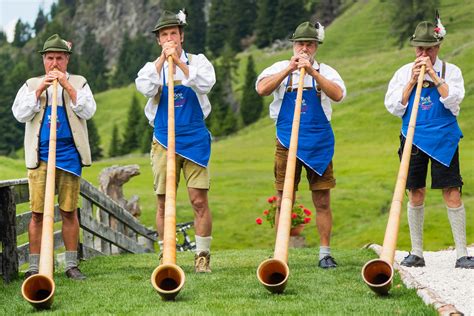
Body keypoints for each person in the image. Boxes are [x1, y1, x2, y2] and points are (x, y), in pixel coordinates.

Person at [384, 13, 473, 269]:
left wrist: (434, 76)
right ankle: (417, 252)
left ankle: (461, 253)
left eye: (429, 49)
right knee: (415, 192)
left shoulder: (450, 71)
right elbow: (394, 107)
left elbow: (453, 101)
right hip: (413, 138)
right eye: (419, 48)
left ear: (438, 47)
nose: (423, 54)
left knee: (452, 192)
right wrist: (412, 81)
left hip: (443, 137)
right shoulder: (403, 72)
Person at [256, 22, 346, 269]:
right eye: (300, 44)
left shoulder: (326, 71)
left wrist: (313, 73)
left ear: (316, 46)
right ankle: (279, 252)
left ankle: (325, 253)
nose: (304, 49)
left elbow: (338, 94)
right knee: (284, 198)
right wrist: (289, 69)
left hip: (318, 143)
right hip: (286, 141)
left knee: (322, 200)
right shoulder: (279, 67)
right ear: (293, 45)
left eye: (309, 44)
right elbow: (262, 89)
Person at [135, 10, 216, 273]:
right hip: (163, 140)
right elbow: (145, 87)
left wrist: (179, 64)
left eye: (173, 33)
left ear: (181, 36)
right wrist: (162, 61)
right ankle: (165, 254)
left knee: (198, 200)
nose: (169, 38)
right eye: (164, 35)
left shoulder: (197, 61)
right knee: (163, 201)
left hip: (194, 138)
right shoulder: (152, 68)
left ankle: (202, 255)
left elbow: (205, 84)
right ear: (159, 40)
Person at [12, 34, 97, 280]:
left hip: (69, 155)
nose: (55, 63)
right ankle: (34, 267)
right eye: (50, 58)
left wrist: (67, 87)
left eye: (60, 58)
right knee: (37, 213)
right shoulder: (30, 84)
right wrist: (41, 88)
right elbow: (20, 114)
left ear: (67, 59)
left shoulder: (80, 82)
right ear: (44, 60)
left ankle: (71, 265)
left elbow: (88, 110)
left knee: (69, 211)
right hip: (40, 157)